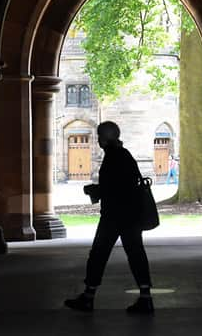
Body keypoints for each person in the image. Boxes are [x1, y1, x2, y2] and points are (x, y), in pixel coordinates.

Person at [64, 121, 154, 314]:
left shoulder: (113, 157)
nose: (98, 141)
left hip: (114, 216)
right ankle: (146, 297)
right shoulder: (125, 155)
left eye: (99, 137)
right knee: (136, 254)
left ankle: (88, 297)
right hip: (131, 215)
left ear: (104, 138)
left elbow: (114, 187)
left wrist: (94, 190)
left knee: (98, 254)